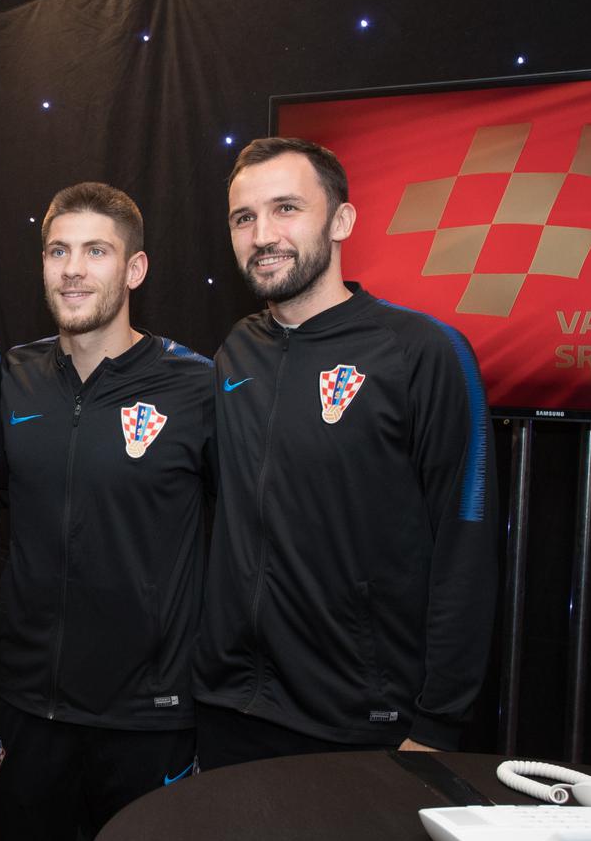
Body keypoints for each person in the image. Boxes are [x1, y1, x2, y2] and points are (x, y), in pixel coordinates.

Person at [196, 137, 499, 768]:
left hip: (363, 723)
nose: (262, 235)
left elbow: (466, 543)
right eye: (244, 217)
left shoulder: (423, 352)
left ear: (341, 221)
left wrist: (439, 722)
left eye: (286, 208)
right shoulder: (234, 352)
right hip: (230, 711)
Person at [0, 183, 211, 841]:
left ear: (134, 268)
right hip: (27, 707)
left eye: (95, 251)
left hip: (148, 714)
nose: (72, 270)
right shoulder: (11, 376)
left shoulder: (196, 385)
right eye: (57, 251)